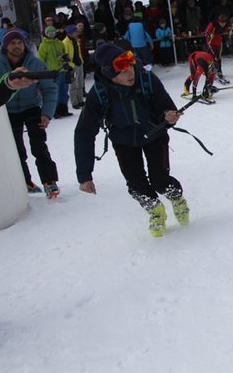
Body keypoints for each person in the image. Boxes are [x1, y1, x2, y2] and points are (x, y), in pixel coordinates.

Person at [74, 43, 189, 237]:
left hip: (154, 135)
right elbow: (84, 132)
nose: (130, 73)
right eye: (122, 71)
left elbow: (166, 106)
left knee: (160, 180)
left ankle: (176, 197)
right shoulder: (99, 93)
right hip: (124, 141)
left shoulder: (146, 79)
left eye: (130, 66)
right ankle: (155, 210)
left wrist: (169, 115)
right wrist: (84, 175)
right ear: (109, 73)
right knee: (136, 185)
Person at [0, 29, 61, 197]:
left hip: (31, 107)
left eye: (19, 42)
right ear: (5, 46)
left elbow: (49, 89)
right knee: (16, 149)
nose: (17, 46)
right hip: (8, 110)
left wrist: (46, 113)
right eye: (12, 43)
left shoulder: (35, 63)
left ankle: (49, 181)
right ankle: (25, 181)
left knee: (39, 145)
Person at [38, 25, 72, 118]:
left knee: (64, 90)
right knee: (55, 91)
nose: (52, 34)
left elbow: (64, 53)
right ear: (46, 34)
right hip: (52, 72)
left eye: (53, 32)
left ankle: (64, 108)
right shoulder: (43, 45)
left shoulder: (59, 43)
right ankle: (55, 110)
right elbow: (41, 59)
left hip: (62, 70)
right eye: (49, 33)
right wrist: (45, 71)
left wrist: (65, 59)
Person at [63, 25, 86, 109]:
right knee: (73, 84)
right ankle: (74, 102)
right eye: (75, 32)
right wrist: (70, 65)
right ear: (70, 33)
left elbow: (78, 52)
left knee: (80, 82)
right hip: (72, 65)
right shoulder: (65, 42)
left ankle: (80, 100)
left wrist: (81, 61)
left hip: (79, 63)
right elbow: (65, 56)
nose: (77, 33)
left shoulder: (76, 40)